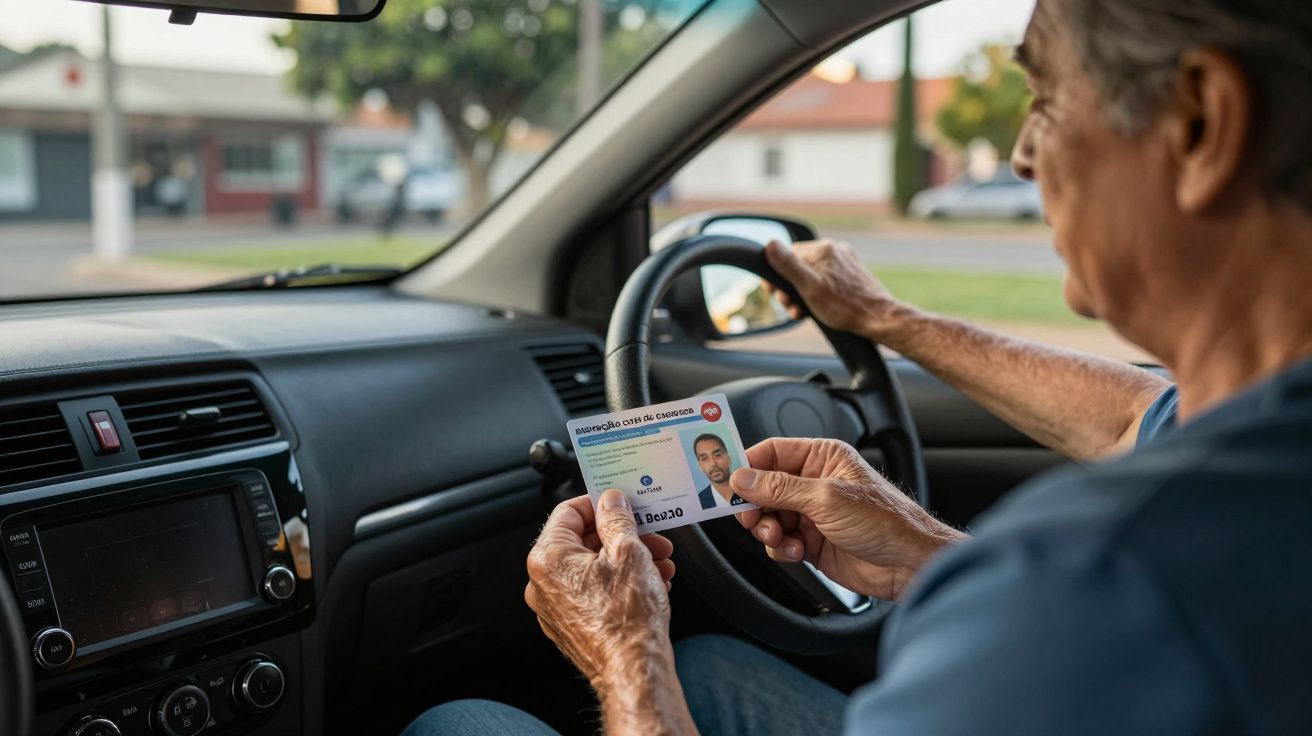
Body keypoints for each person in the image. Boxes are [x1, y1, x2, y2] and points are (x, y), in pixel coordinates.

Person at [404, 0, 1312, 733]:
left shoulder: (1090, 582)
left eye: (1045, 98)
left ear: (1202, 122)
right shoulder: (1252, 460)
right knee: (717, 670)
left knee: (463, 723)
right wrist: (924, 551)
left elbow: (1090, 598)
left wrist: (626, 650)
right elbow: (1141, 417)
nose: (1021, 154)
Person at [692, 434, 747, 510]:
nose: (713, 464)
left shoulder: (748, 489)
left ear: (729, 458)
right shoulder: (699, 503)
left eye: (717, 455)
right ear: (700, 466)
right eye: (704, 458)